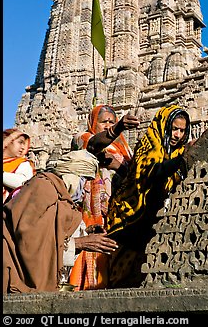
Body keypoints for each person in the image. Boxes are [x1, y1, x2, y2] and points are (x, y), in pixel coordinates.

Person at [3, 145, 120, 293]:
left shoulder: (61, 196)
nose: (85, 188)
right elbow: (28, 236)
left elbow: (50, 228)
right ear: (72, 175)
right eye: (84, 180)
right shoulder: (43, 186)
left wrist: (84, 232)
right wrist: (77, 244)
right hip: (15, 272)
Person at [106, 104, 193, 288]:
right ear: (164, 126)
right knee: (122, 279)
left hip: (156, 222)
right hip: (130, 220)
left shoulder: (179, 151)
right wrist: (183, 158)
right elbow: (152, 172)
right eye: (174, 129)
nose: (177, 135)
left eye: (182, 131)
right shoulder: (149, 145)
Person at [68, 105, 140, 290]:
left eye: (111, 122)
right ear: (93, 123)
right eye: (104, 122)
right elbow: (93, 145)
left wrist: (118, 166)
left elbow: (133, 174)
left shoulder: (125, 150)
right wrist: (118, 128)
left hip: (121, 214)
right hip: (93, 217)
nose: (108, 125)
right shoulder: (82, 138)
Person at [3, 128, 36, 203]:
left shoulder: (23, 164)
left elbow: (23, 182)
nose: (23, 147)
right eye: (20, 142)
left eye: (24, 144)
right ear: (8, 142)